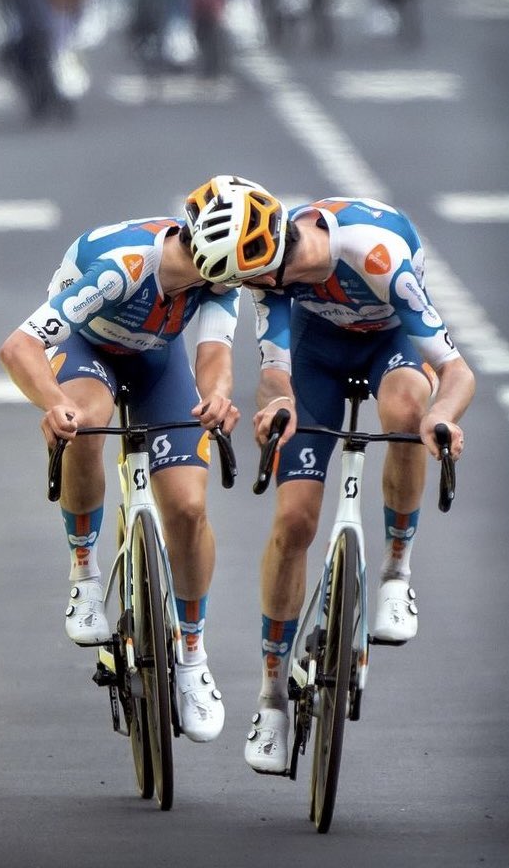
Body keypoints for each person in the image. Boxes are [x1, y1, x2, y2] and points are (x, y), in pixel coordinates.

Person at [182, 175, 475, 773]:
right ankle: (270, 697)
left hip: (388, 344)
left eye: (249, 280)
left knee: (405, 411)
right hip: (316, 357)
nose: (247, 291)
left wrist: (442, 415)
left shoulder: (377, 255)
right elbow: (275, 369)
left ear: (272, 259)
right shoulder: (270, 281)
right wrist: (277, 404)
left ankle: (396, 570)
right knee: (293, 522)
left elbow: (456, 369)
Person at [0, 210, 241, 742]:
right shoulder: (122, 270)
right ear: (208, 257)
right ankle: (84, 571)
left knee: (188, 508)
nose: (244, 282)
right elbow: (19, 347)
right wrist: (55, 403)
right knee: (87, 422)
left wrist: (218, 396)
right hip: (86, 351)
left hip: (156, 360)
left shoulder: (223, 272)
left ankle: (193, 654)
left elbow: (214, 353)